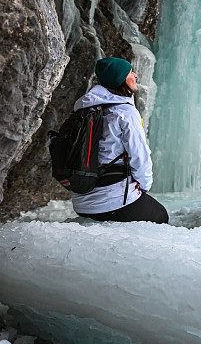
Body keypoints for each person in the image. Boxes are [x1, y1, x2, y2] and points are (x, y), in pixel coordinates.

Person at [72, 56, 169, 224]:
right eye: (130, 72)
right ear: (120, 79)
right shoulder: (125, 112)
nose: (135, 75)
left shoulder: (84, 109)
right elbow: (139, 156)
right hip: (112, 202)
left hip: (81, 202)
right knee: (160, 216)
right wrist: (143, 188)